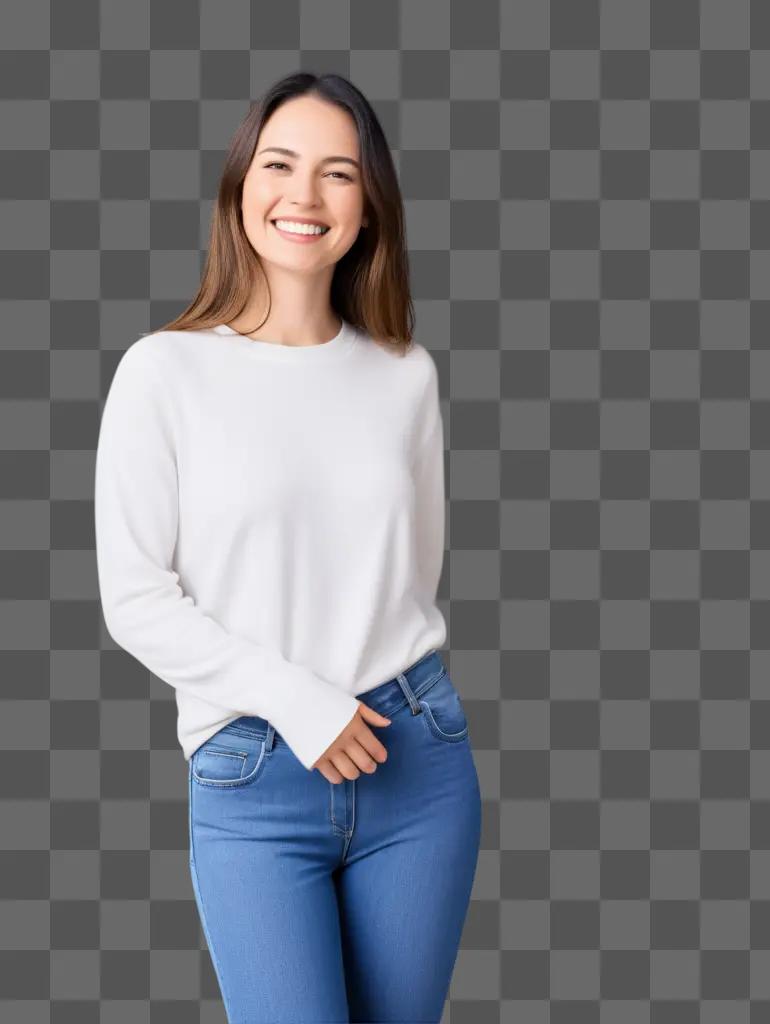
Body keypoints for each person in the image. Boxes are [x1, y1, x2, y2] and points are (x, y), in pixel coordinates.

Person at [93, 71, 481, 1023]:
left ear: (367, 208)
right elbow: (136, 599)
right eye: (279, 165)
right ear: (240, 189)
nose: (303, 197)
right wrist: (298, 700)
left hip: (414, 764)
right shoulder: (165, 372)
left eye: (338, 174)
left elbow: (411, 580)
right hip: (255, 775)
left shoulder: (405, 375)